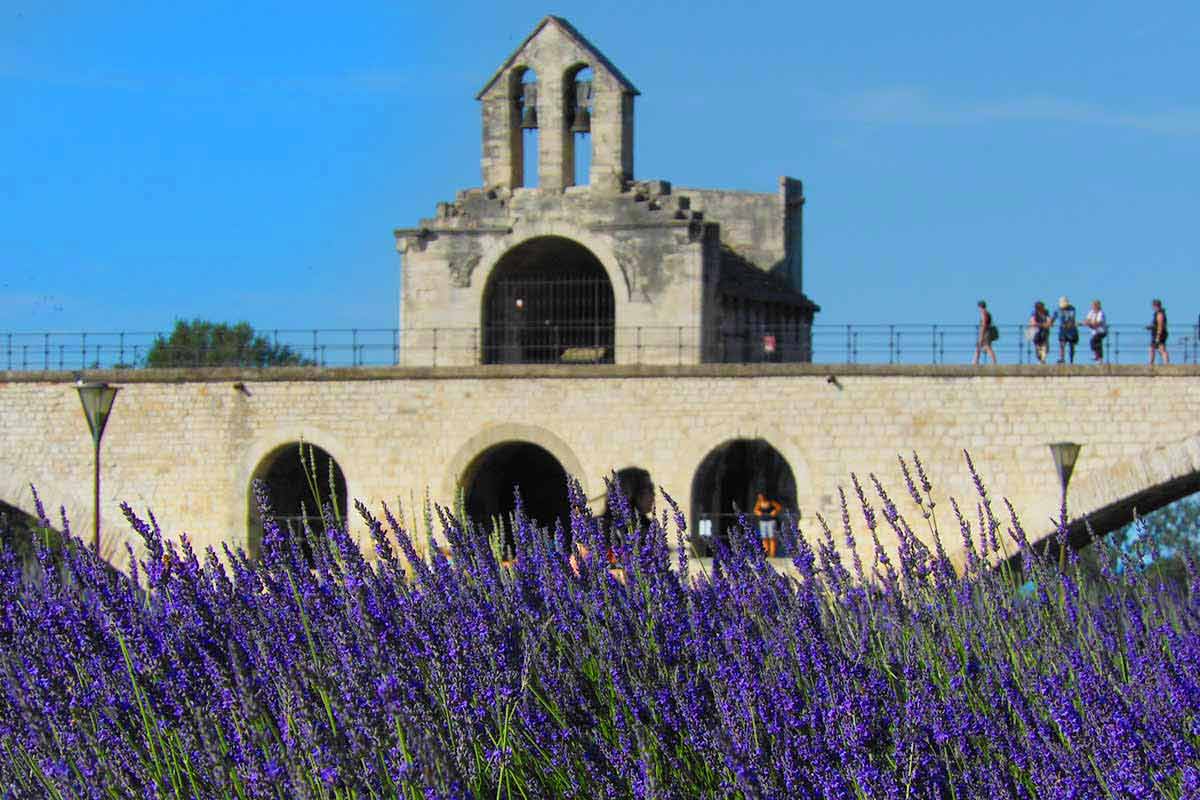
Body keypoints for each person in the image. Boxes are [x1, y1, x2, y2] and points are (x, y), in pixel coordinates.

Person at [1054, 296, 1079, 364]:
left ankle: (1071, 359)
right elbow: (1053, 318)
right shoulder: (1058, 310)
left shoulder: (1072, 309)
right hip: (1062, 329)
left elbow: (1072, 319)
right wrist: (1049, 323)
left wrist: (1069, 324)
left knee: (1071, 345)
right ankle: (1062, 358)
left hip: (1071, 329)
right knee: (1062, 344)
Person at [973, 300, 998, 365]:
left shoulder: (983, 313)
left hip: (985, 333)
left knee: (987, 347)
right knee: (979, 347)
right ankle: (975, 362)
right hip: (986, 332)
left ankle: (994, 362)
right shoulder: (987, 313)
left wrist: (981, 335)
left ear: (980, 306)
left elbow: (983, 324)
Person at [1149, 299, 1169, 365]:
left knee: (1161, 349)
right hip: (1157, 334)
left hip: (1159, 334)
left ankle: (1166, 364)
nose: (1153, 308)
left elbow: (1160, 326)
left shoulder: (1160, 314)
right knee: (1152, 348)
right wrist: (1151, 327)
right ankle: (1151, 363)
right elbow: (1156, 325)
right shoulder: (1157, 313)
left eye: (1154, 306)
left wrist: (1158, 336)